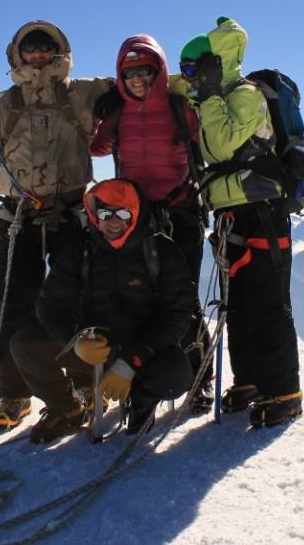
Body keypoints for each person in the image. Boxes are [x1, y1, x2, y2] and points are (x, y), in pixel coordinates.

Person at [0, 21, 112, 430]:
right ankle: (16, 394)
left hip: (69, 214)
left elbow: (138, 81)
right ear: (18, 54)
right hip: (19, 218)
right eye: (30, 48)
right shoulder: (3, 104)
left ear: (60, 51)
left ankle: (83, 385)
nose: (38, 54)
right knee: (14, 307)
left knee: (75, 303)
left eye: (46, 47)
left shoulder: (84, 92)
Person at [178, 16, 303, 428]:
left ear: (214, 64)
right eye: (185, 70)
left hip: (262, 209)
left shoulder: (247, 96)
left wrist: (210, 95)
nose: (189, 77)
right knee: (238, 304)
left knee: (268, 302)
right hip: (231, 212)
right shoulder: (207, 96)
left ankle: (284, 391)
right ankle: (250, 379)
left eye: (194, 68)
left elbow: (220, 144)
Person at [9, 178, 195, 444]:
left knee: (175, 374)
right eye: (106, 213)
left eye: (122, 213)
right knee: (26, 344)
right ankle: (66, 408)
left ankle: (141, 401)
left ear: (136, 214)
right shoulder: (79, 249)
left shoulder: (161, 250)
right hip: (93, 345)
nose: (114, 221)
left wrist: (133, 360)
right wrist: (75, 340)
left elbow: (178, 314)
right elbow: (50, 306)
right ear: (96, 215)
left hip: (143, 344)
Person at [90, 34, 214, 412]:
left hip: (179, 212)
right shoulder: (118, 112)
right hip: (136, 217)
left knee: (184, 298)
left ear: (159, 71)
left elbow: (205, 142)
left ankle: (197, 378)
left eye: (146, 70)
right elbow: (97, 148)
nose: (139, 79)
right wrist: (100, 113)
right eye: (130, 74)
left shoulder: (180, 108)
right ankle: (143, 372)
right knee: (139, 298)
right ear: (120, 77)